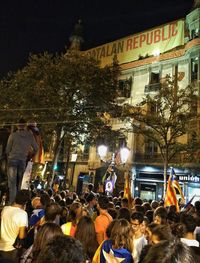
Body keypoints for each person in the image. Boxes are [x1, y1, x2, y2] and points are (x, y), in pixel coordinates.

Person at [6, 118, 38, 203]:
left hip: (12, 160)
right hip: (23, 161)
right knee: (20, 183)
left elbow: (7, 149)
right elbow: (36, 148)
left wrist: (9, 155)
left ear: (17, 125)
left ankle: (12, 202)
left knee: (12, 183)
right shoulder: (30, 136)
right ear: (25, 126)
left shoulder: (13, 135)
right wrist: (30, 154)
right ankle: (18, 202)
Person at [0, 190, 30, 263]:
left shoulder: (5, 209)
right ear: (25, 202)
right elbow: (21, 236)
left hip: (1, 245)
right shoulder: (23, 214)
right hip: (12, 249)